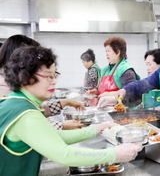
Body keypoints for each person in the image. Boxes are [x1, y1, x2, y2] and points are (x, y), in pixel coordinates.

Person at [0, 46, 142, 176]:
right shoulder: (26, 115)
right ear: (25, 77)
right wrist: (115, 154)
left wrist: (96, 129)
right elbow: (64, 154)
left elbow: (55, 136)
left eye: (54, 75)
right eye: (48, 76)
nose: (54, 81)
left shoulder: (14, 101)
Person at [0, 34, 86, 130]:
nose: (54, 81)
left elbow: (35, 109)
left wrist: (64, 103)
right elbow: (28, 122)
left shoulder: (13, 82)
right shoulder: (6, 88)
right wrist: (62, 126)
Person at [87, 36, 141, 107]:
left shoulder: (125, 70)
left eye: (109, 51)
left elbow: (130, 94)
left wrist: (109, 95)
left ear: (118, 52)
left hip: (121, 112)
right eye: (105, 51)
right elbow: (102, 87)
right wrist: (96, 91)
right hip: (105, 110)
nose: (106, 54)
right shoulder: (105, 70)